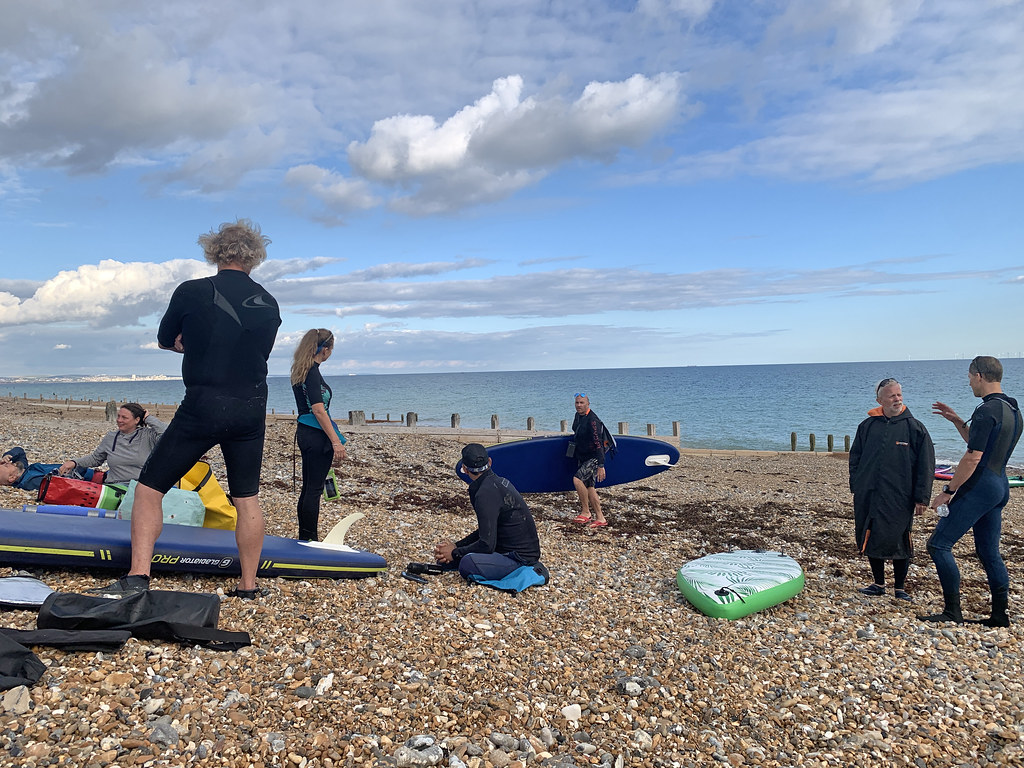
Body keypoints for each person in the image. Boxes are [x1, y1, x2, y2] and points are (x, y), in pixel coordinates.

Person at [92, 220, 281, 600]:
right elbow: (252, 352)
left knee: (149, 488)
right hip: (252, 406)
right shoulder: (269, 304)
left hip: (204, 403)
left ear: (214, 251)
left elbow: (166, 340)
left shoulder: (194, 290)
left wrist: (187, 345)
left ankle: (138, 577)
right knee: (246, 498)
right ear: (255, 256)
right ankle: (248, 586)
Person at [921, 356, 1023, 626]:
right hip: (999, 486)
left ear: (979, 376)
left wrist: (949, 490)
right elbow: (985, 446)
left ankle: (952, 612)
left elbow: (973, 456)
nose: (968, 383)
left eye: (969, 377)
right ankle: (1000, 616)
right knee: (989, 552)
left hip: (980, 487)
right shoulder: (1012, 409)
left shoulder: (985, 410)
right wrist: (957, 421)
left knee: (938, 545)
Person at [848, 378, 935, 602]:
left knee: (899, 538)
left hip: (900, 496)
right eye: (891, 396)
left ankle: (899, 587)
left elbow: (926, 465)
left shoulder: (914, 428)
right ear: (880, 400)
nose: (897, 399)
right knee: (870, 534)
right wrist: (856, 485)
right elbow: (855, 457)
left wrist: (921, 498)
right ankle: (878, 583)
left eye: (899, 395)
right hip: (868, 492)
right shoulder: (867, 426)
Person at [434, 443, 541, 581]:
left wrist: (455, 553)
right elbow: (486, 532)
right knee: (444, 561)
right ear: (489, 462)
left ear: (465, 469)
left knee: (467, 563)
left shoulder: (484, 494)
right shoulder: (500, 482)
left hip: (520, 559)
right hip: (507, 550)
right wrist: (456, 546)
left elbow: (486, 544)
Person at [291, 328, 347, 541]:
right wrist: (336, 442)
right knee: (313, 490)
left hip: (306, 433)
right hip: (316, 434)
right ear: (325, 349)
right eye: (331, 348)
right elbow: (318, 410)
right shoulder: (311, 372)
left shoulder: (300, 370)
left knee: (309, 489)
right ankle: (310, 540)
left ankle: (305, 537)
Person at [58, 403, 166, 485]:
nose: (119, 420)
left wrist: (148, 418)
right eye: (118, 416)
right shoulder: (111, 437)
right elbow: (96, 459)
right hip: (114, 486)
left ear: (137, 420)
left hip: (142, 487)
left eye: (124, 418)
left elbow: (168, 434)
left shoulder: (148, 436)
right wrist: (74, 462)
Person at [569, 393, 608, 528]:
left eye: (582, 403)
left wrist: (601, 465)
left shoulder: (593, 421)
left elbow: (599, 444)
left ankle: (586, 512)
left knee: (577, 480)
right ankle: (601, 518)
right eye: (577, 403)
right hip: (583, 456)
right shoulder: (578, 416)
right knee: (590, 487)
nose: (579, 405)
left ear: (588, 404)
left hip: (593, 457)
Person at [1, 447, 101, 491]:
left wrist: (8, 455)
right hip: (90, 481)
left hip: (87, 473)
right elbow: (56, 483)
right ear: (12, 478)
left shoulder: (24, 469)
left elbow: (19, 451)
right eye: (6, 466)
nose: (10, 462)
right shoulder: (28, 481)